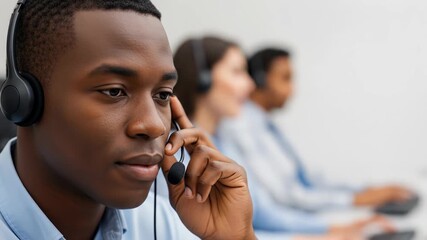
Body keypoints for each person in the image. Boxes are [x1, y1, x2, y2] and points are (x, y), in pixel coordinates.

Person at [0, 1, 257, 239]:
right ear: (24, 102)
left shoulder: (160, 223)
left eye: (163, 95)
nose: (155, 126)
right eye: (114, 91)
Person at [172, 36, 394, 240]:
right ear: (204, 79)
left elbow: (261, 211)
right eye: (237, 72)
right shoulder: (179, 153)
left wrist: (333, 231)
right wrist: (327, 235)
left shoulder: (222, 142)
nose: (250, 85)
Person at [217, 47, 414, 212]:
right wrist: (355, 201)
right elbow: (287, 196)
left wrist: (364, 191)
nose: (292, 89)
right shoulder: (241, 127)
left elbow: (308, 180)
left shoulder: (263, 124)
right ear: (260, 80)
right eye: (286, 78)